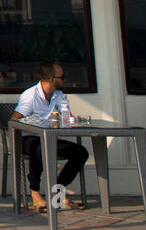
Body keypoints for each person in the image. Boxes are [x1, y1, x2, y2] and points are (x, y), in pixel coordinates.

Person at [11, 62, 89, 212]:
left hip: (50, 136)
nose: (65, 80)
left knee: (80, 152)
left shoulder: (59, 95)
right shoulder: (30, 96)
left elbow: (67, 117)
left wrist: (76, 120)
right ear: (53, 79)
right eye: (62, 77)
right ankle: (35, 193)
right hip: (28, 138)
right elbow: (14, 120)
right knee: (39, 148)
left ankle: (57, 191)